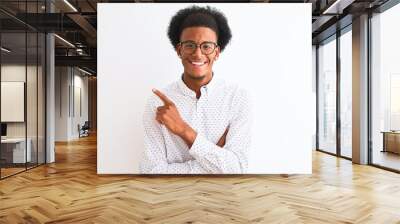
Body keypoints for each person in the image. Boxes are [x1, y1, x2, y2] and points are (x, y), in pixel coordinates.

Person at [140, 5, 252, 174]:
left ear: (217, 52)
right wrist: (215, 160)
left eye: (206, 46)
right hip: (171, 196)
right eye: (190, 45)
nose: (198, 54)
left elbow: (237, 168)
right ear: (179, 50)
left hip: (224, 197)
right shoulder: (157, 103)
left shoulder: (237, 98)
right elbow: (151, 171)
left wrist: (185, 131)